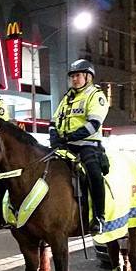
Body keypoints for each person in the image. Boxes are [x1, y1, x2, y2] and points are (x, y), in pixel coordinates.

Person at [50, 59, 110, 234]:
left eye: (77, 76)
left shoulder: (95, 95)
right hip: (64, 146)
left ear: (88, 77)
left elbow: (94, 124)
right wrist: (54, 137)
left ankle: (99, 216)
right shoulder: (67, 97)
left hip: (87, 146)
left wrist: (70, 136)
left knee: (93, 174)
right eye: (72, 76)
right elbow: (53, 121)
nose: (74, 79)